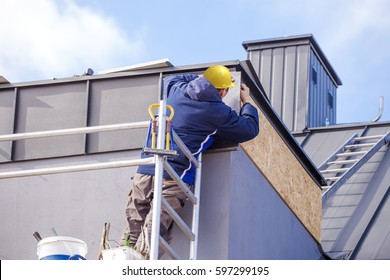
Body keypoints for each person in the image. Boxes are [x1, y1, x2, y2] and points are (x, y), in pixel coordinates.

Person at [121, 65, 259, 258]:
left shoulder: (176, 89)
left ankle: (122, 261)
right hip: (175, 176)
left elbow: (172, 78)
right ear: (223, 91)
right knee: (154, 229)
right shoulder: (217, 111)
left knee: (134, 220)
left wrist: (203, 79)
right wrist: (248, 103)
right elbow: (249, 129)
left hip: (145, 169)